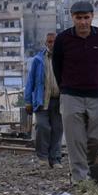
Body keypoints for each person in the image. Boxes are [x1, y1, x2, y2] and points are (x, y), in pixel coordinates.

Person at [52, 1, 98, 181]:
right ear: (72, 18)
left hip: (97, 95)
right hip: (71, 96)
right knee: (75, 140)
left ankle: (84, 167)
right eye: (79, 18)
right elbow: (57, 66)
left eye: (86, 17)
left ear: (92, 17)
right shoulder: (63, 39)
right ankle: (80, 180)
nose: (83, 22)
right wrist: (65, 89)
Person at [24, 31, 62, 167]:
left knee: (57, 129)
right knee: (42, 127)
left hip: (59, 101)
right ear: (46, 43)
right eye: (50, 42)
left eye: (55, 42)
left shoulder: (63, 58)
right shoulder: (38, 60)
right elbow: (30, 82)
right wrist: (28, 101)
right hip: (41, 101)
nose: (52, 44)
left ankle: (56, 159)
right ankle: (43, 158)